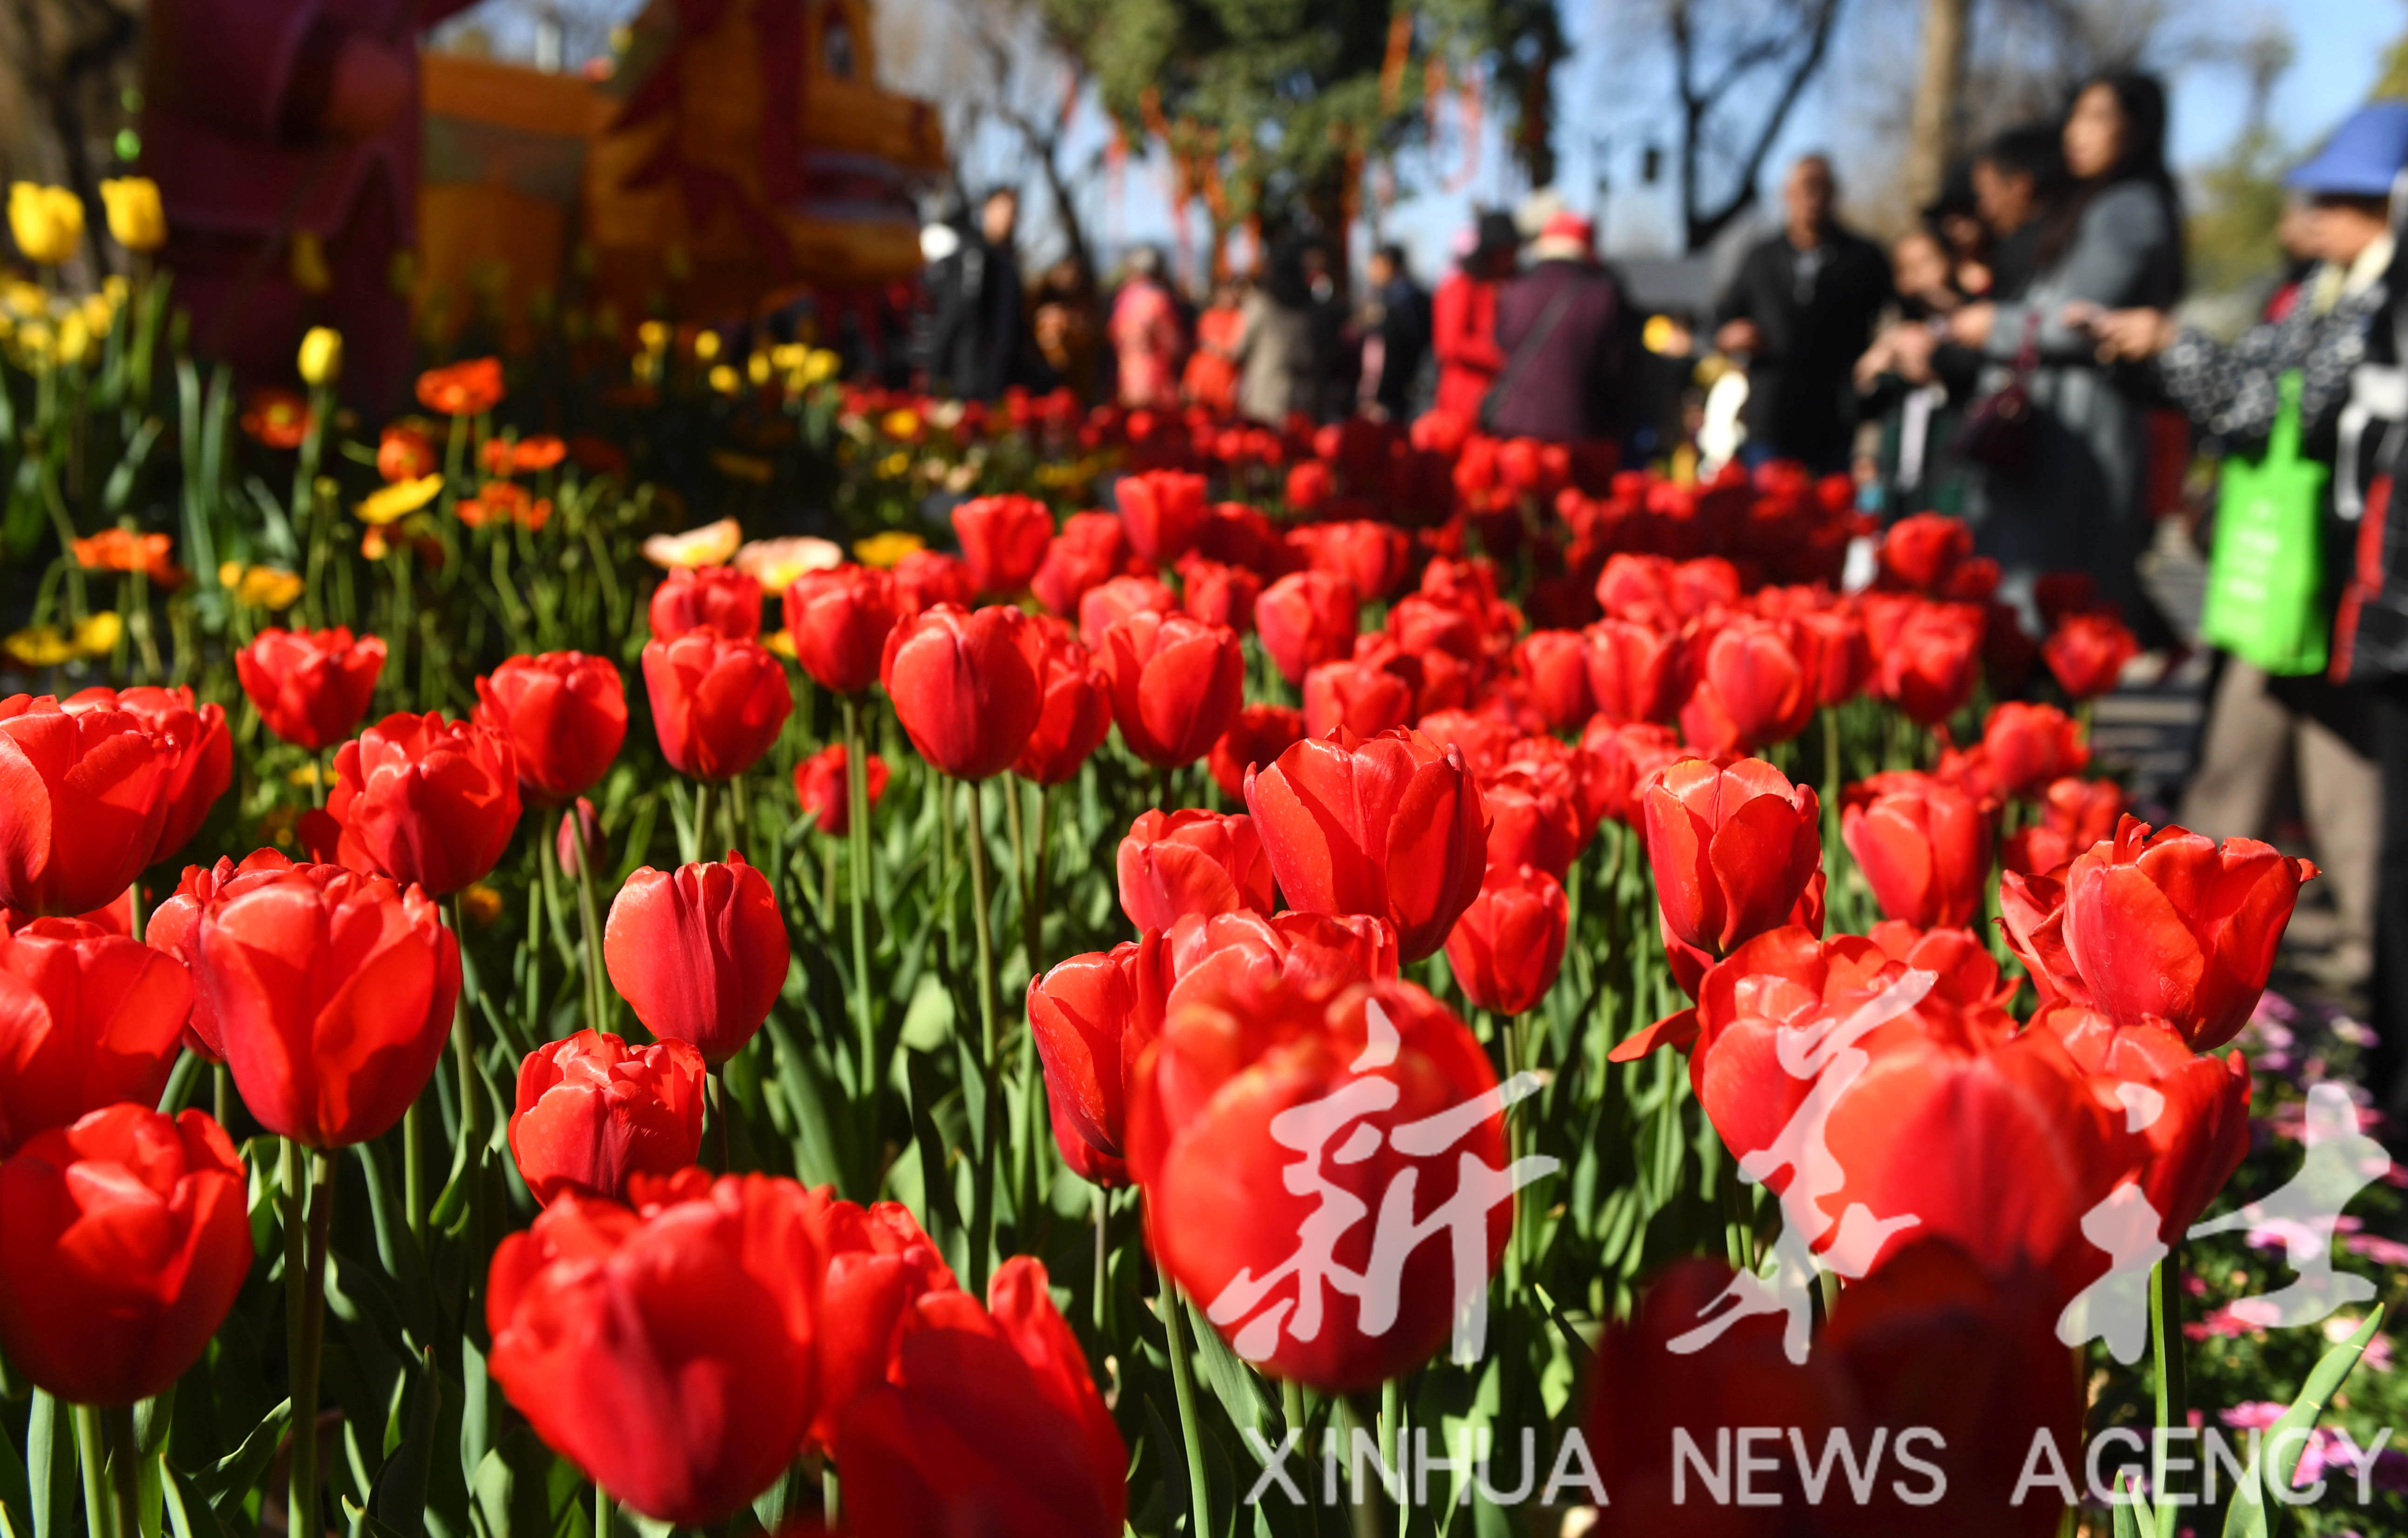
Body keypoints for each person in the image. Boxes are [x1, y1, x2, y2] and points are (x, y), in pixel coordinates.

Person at [2084, 103, 2408, 1013]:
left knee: (2346, 790)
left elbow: (2280, 407)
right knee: (2248, 766)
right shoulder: (2315, 288)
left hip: (2338, 585)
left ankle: (2357, 970)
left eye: (2339, 198)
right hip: (2280, 580)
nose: (2315, 213)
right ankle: (2190, 953)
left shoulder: (2384, 304)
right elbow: (2255, 387)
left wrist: (2173, 346)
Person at [142, 0, 482, 413]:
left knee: (365, 406)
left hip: (374, 212)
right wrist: (309, 62)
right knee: (208, 399)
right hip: (240, 209)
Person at [1946, 74, 2185, 638]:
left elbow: (2082, 320)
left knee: (2052, 609)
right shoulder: (2091, 203)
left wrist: (1993, 324)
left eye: (2099, 117)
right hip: (2053, 428)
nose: (2078, 133)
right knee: (2031, 607)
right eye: (2076, 116)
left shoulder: (2128, 207)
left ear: (2139, 129)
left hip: (2080, 433)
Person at [1712, 154, 1895, 471]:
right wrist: (1729, 335)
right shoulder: (1761, 258)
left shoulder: (1863, 259)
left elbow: (1895, 316)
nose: (1812, 198)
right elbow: (1721, 318)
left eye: (1820, 187)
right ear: (1786, 195)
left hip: (1837, 418)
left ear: (1834, 194)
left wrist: (1883, 352)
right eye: (1803, 189)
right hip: (1770, 415)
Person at [1484, 211, 1628, 444]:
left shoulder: (1514, 290)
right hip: (1577, 427)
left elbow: (1501, 345)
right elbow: (1615, 368)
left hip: (1513, 425)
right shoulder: (1602, 295)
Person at [927, 186, 1025, 400]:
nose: (1010, 218)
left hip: (1001, 379)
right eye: (1004, 210)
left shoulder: (1009, 261)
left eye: (1015, 211)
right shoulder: (974, 255)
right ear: (986, 210)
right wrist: (937, 372)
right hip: (968, 380)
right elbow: (957, 314)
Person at [1432, 212, 1519, 422]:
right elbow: (1450, 344)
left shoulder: (1508, 285)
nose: (1508, 259)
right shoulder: (1461, 286)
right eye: (1501, 252)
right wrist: (1502, 357)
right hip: (1467, 399)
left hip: (1500, 396)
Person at [1235, 244, 1315, 425]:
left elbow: (1240, 349)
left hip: (1264, 396)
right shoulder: (1310, 306)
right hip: (1303, 395)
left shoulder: (1259, 304)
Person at [1358, 244, 1431, 420]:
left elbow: (1396, 349)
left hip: (1397, 391)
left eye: (1376, 265)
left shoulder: (1399, 300)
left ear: (1390, 265)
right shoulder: (1391, 297)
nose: (1371, 271)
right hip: (1404, 387)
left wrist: (1380, 392)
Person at [1107, 247, 1186, 409]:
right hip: (1156, 378)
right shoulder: (1159, 299)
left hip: (1127, 376)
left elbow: (1113, 335)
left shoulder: (1122, 298)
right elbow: (1173, 343)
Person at [1184, 277, 1244, 414]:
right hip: (1206, 376)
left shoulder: (1240, 318)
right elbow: (1201, 348)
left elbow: (1236, 350)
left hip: (1227, 379)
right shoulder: (1209, 317)